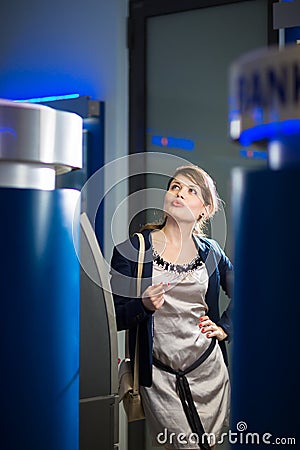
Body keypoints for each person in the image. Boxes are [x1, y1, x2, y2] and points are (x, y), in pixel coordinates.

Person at [110, 165, 233, 450]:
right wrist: (143, 304)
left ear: (204, 209)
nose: (179, 193)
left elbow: (248, 292)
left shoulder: (211, 251)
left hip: (208, 371)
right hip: (161, 377)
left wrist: (225, 328)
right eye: (175, 187)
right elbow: (113, 315)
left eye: (191, 191)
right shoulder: (134, 250)